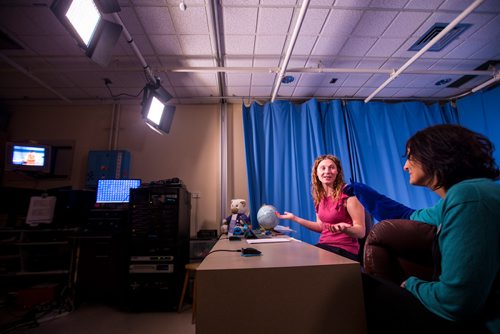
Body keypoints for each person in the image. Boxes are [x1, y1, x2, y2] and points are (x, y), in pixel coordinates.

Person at [345, 124, 499, 333]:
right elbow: (411, 216)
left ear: (434, 154)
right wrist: (367, 194)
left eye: (409, 157)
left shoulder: (468, 197)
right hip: (467, 312)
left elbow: (456, 302)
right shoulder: (461, 197)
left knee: (358, 288)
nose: (405, 166)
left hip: (479, 323)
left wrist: (411, 285)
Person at [275, 154, 365, 261]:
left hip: (344, 250)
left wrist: (344, 228)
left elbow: (361, 232)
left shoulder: (348, 194)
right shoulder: (319, 197)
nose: (327, 171)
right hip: (325, 247)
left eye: (332, 167)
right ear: (316, 173)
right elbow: (320, 226)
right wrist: (294, 218)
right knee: (290, 258)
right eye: (323, 168)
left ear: (338, 172)